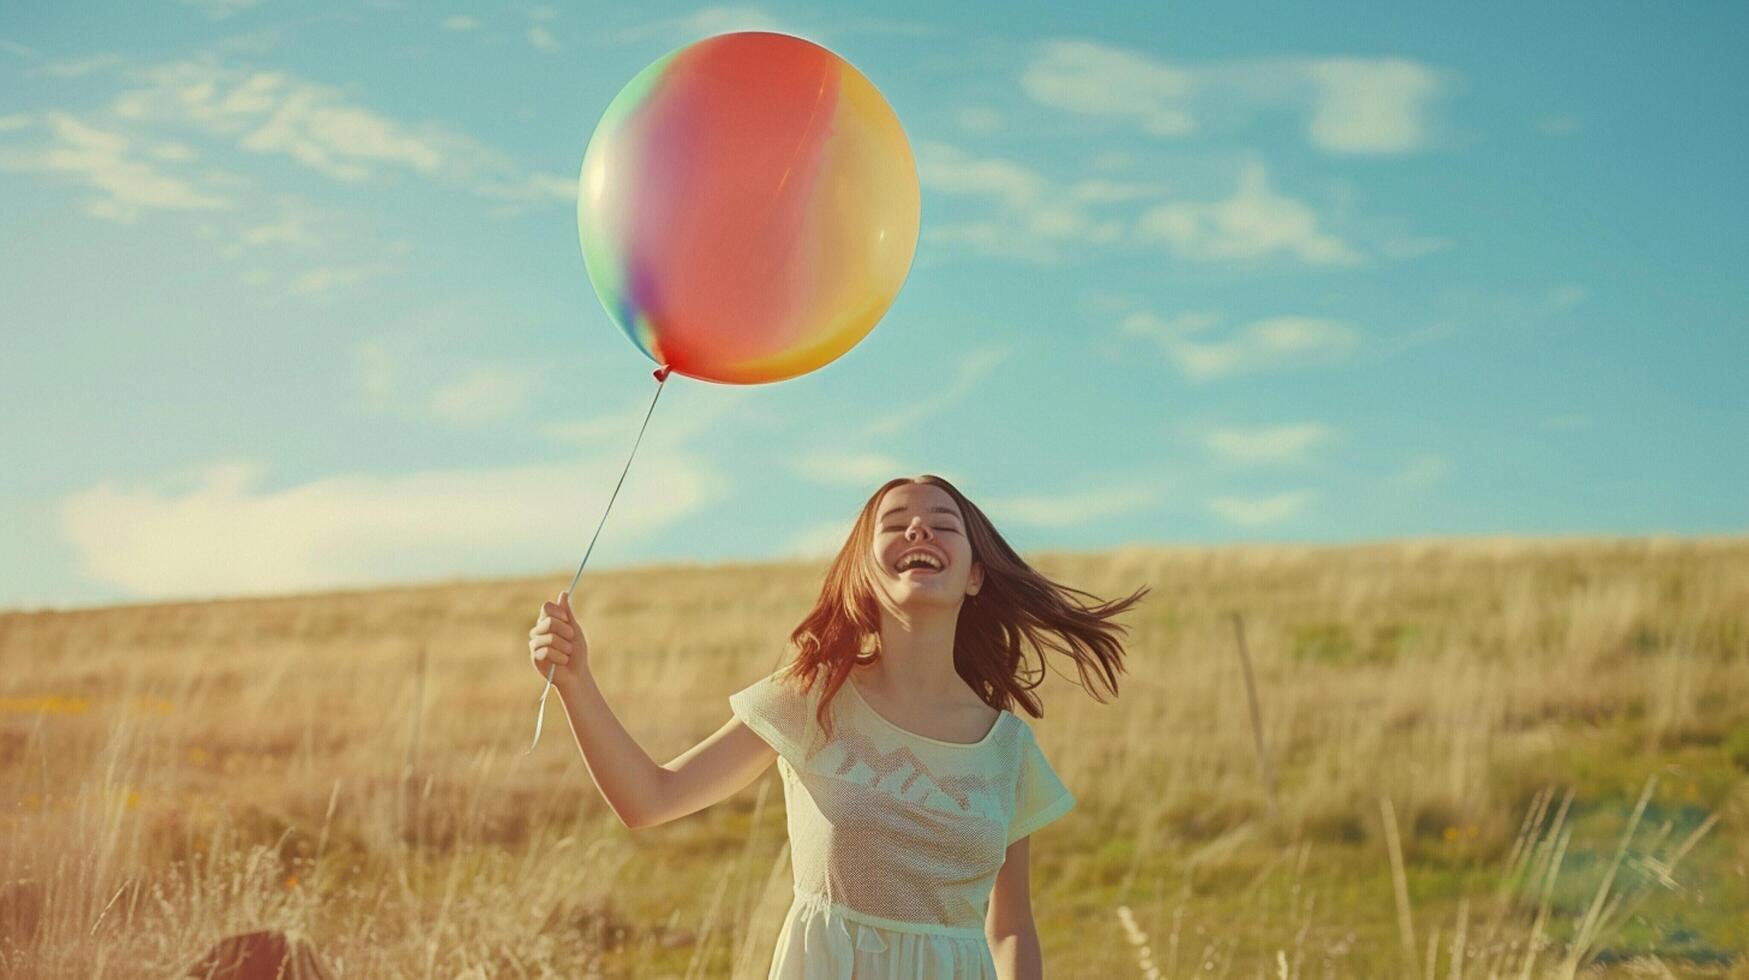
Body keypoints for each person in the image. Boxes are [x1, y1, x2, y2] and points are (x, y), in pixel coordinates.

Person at [527, 474, 1148, 978]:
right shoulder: (813, 696)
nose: (919, 527)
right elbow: (650, 799)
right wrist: (576, 683)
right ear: (865, 569)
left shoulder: (1006, 748)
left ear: (976, 574)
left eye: (943, 521)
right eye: (896, 520)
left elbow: (1010, 928)